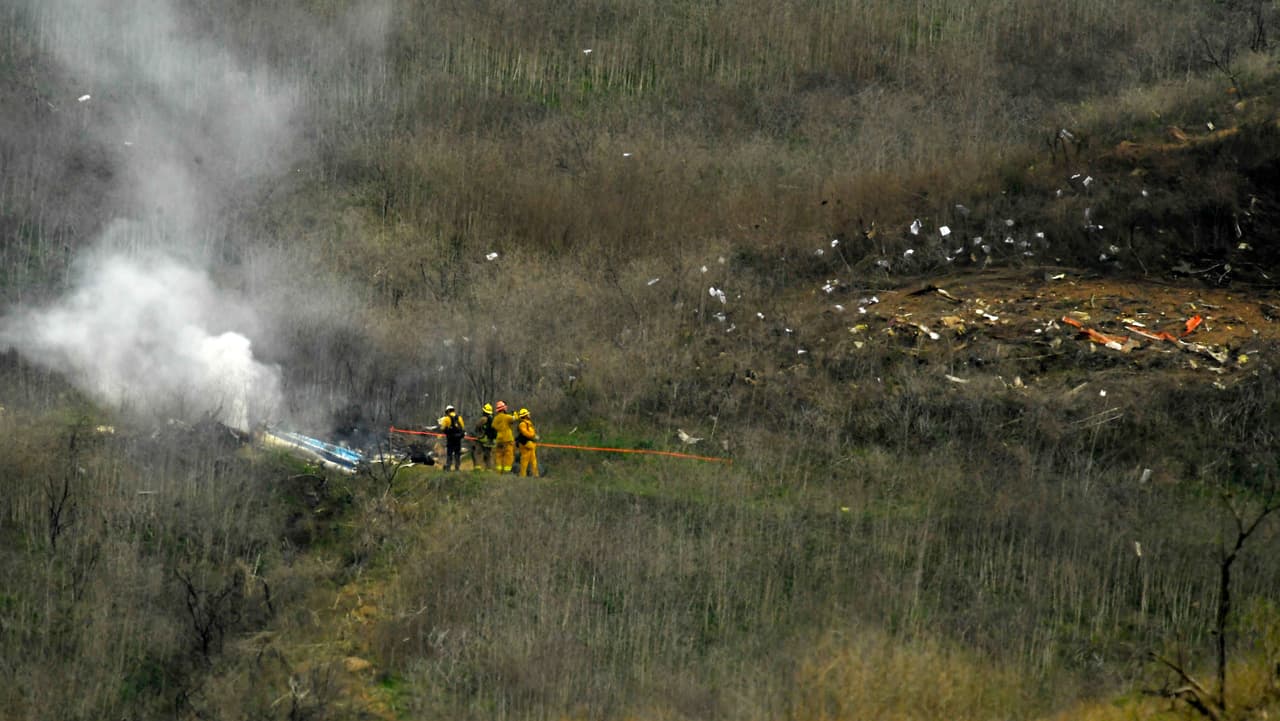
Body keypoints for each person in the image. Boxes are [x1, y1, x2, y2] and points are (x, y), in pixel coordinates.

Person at [490, 400, 518, 474]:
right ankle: (506, 473)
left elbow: (493, 426)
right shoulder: (507, 417)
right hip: (508, 440)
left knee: (499, 457)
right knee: (508, 457)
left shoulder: (495, 419)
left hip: (499, 440)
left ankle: (498, 473)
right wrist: (515, 413)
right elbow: (515, 418)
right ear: (504, 409)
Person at [438, 404, 466, 471]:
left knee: (449, 454)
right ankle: (457, 468)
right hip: (458, 439)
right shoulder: (459, 418)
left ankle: (448, 468)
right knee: (457, 454)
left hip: (450, 439)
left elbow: (442, 428)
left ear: (447, 411)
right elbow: (463, 427)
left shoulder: (446, 419)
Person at [470, 403, 496, 471]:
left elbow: (477, 426)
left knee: (478, 453)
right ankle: (489, 469)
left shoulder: (483, 419)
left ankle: (477, 468)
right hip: (490, 440)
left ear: (484, 411)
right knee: (488, 455)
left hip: (482, 439)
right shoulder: (493, 419)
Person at [516, 407, 539, 478]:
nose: (529, 415)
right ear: (525, 415)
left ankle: (535, 474)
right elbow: (525, 433)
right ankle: (522, 475)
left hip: (530, 444)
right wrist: (533, 436)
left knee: (533, 460)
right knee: (524, 461)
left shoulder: (528, 423)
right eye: (528, 414)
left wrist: (534, 437)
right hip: (525, 444)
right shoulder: (522, 424)